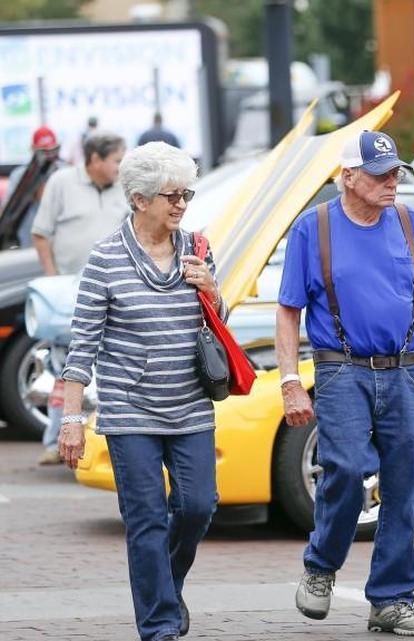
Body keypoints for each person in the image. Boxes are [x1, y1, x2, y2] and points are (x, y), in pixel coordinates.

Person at [276, 130, 414, 637]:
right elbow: (289, 311)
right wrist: (291, 381)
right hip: (340, 369)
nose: (391, 182)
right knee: (343, 468)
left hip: (403, 369)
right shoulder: (312, 230)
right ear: (348, 177)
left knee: (407, 482)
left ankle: (392, 599)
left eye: (395, 172)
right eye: (380, 174)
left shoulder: (407, 223)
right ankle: (321, 567)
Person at [57, 141, 222, 641]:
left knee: (199, 506)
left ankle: (163, 587)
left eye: (186, 195)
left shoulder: (197, 247)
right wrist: (70, 420)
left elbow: (220, 326)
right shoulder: (106, 259)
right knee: (146, 519)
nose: (181, 205)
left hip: (190, 404)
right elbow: (82, 344)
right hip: (131, 412)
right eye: (171, 195)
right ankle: (160, 626)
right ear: (139, 199)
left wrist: (213, 291)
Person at [30, 130, 127, 465]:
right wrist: (52, 278)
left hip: (115, 291)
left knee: (110, 367)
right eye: (115, 160)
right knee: (66, 364)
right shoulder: (62, 183)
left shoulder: (125, 188)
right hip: (70, 292)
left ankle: (103, 444)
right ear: (95, 159)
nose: (120, 166)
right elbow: (41, 234)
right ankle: (55, 442)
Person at [2, 126, 64, 248]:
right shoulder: (19, 176)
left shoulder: (65, 172)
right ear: (33, 149)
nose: (48, 156)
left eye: (52, 150)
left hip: (60, 239)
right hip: (29, 239)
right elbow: (7, 209)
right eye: (43, 151)